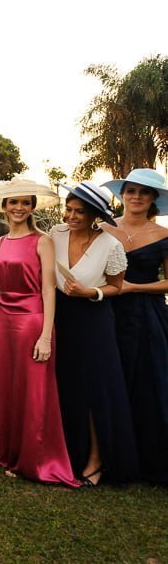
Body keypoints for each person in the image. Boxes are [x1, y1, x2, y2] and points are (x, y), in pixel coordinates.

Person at [0, 178, 78, 486]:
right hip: (7, 323)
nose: (19, 207)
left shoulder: (42, 241)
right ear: (5, 207)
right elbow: (0, 290)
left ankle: (37, 462)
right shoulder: (0, 242)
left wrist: (46, 335)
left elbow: (49, 291)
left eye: (25, 202)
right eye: (13, 202)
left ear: (32, 207)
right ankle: (12, 454)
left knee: (35, 393)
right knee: (10, 391)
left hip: (33, 322)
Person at [51, 182, 138, 485]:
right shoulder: (55, 235)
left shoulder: (110, 245)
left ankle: (97, 459)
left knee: (94, 391)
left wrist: (91, 292)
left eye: (79, 212)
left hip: (93, 319)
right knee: (65, 385)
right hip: (60, 316)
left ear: (95, 216)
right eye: (69, 209)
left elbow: (116, 286)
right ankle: (67, 454)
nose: (71, 216)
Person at [101, 168, 168, 485]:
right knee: (108, 379)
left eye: (144, 192)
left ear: (154, 198)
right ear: (122, 194)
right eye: (131, 190)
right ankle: (104, 453)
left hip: (146, 317)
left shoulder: (163, 236)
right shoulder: (102, 228)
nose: (136, 197)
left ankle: (145, 458)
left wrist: (133, 287)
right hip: (105, 311)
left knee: (145, 383)